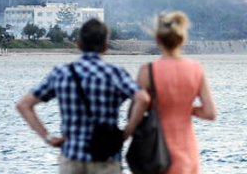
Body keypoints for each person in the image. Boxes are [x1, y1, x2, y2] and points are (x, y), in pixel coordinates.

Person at [16, 19, 150, 174]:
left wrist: (47, 137)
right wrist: (127, 132)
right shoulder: (115, 73)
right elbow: (143, 98)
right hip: (106, 156)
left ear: (78, 44)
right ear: (105, 47)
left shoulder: (62, 73)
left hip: (72, 156)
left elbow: (24, 105)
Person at [136, 11, 216, 174]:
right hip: (187, 149)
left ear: (158, 40)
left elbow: (138, 107)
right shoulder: (196, 69)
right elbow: (210, 113)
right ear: (182, 39)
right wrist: (187, 108)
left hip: (156, 150)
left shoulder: (147, 71)